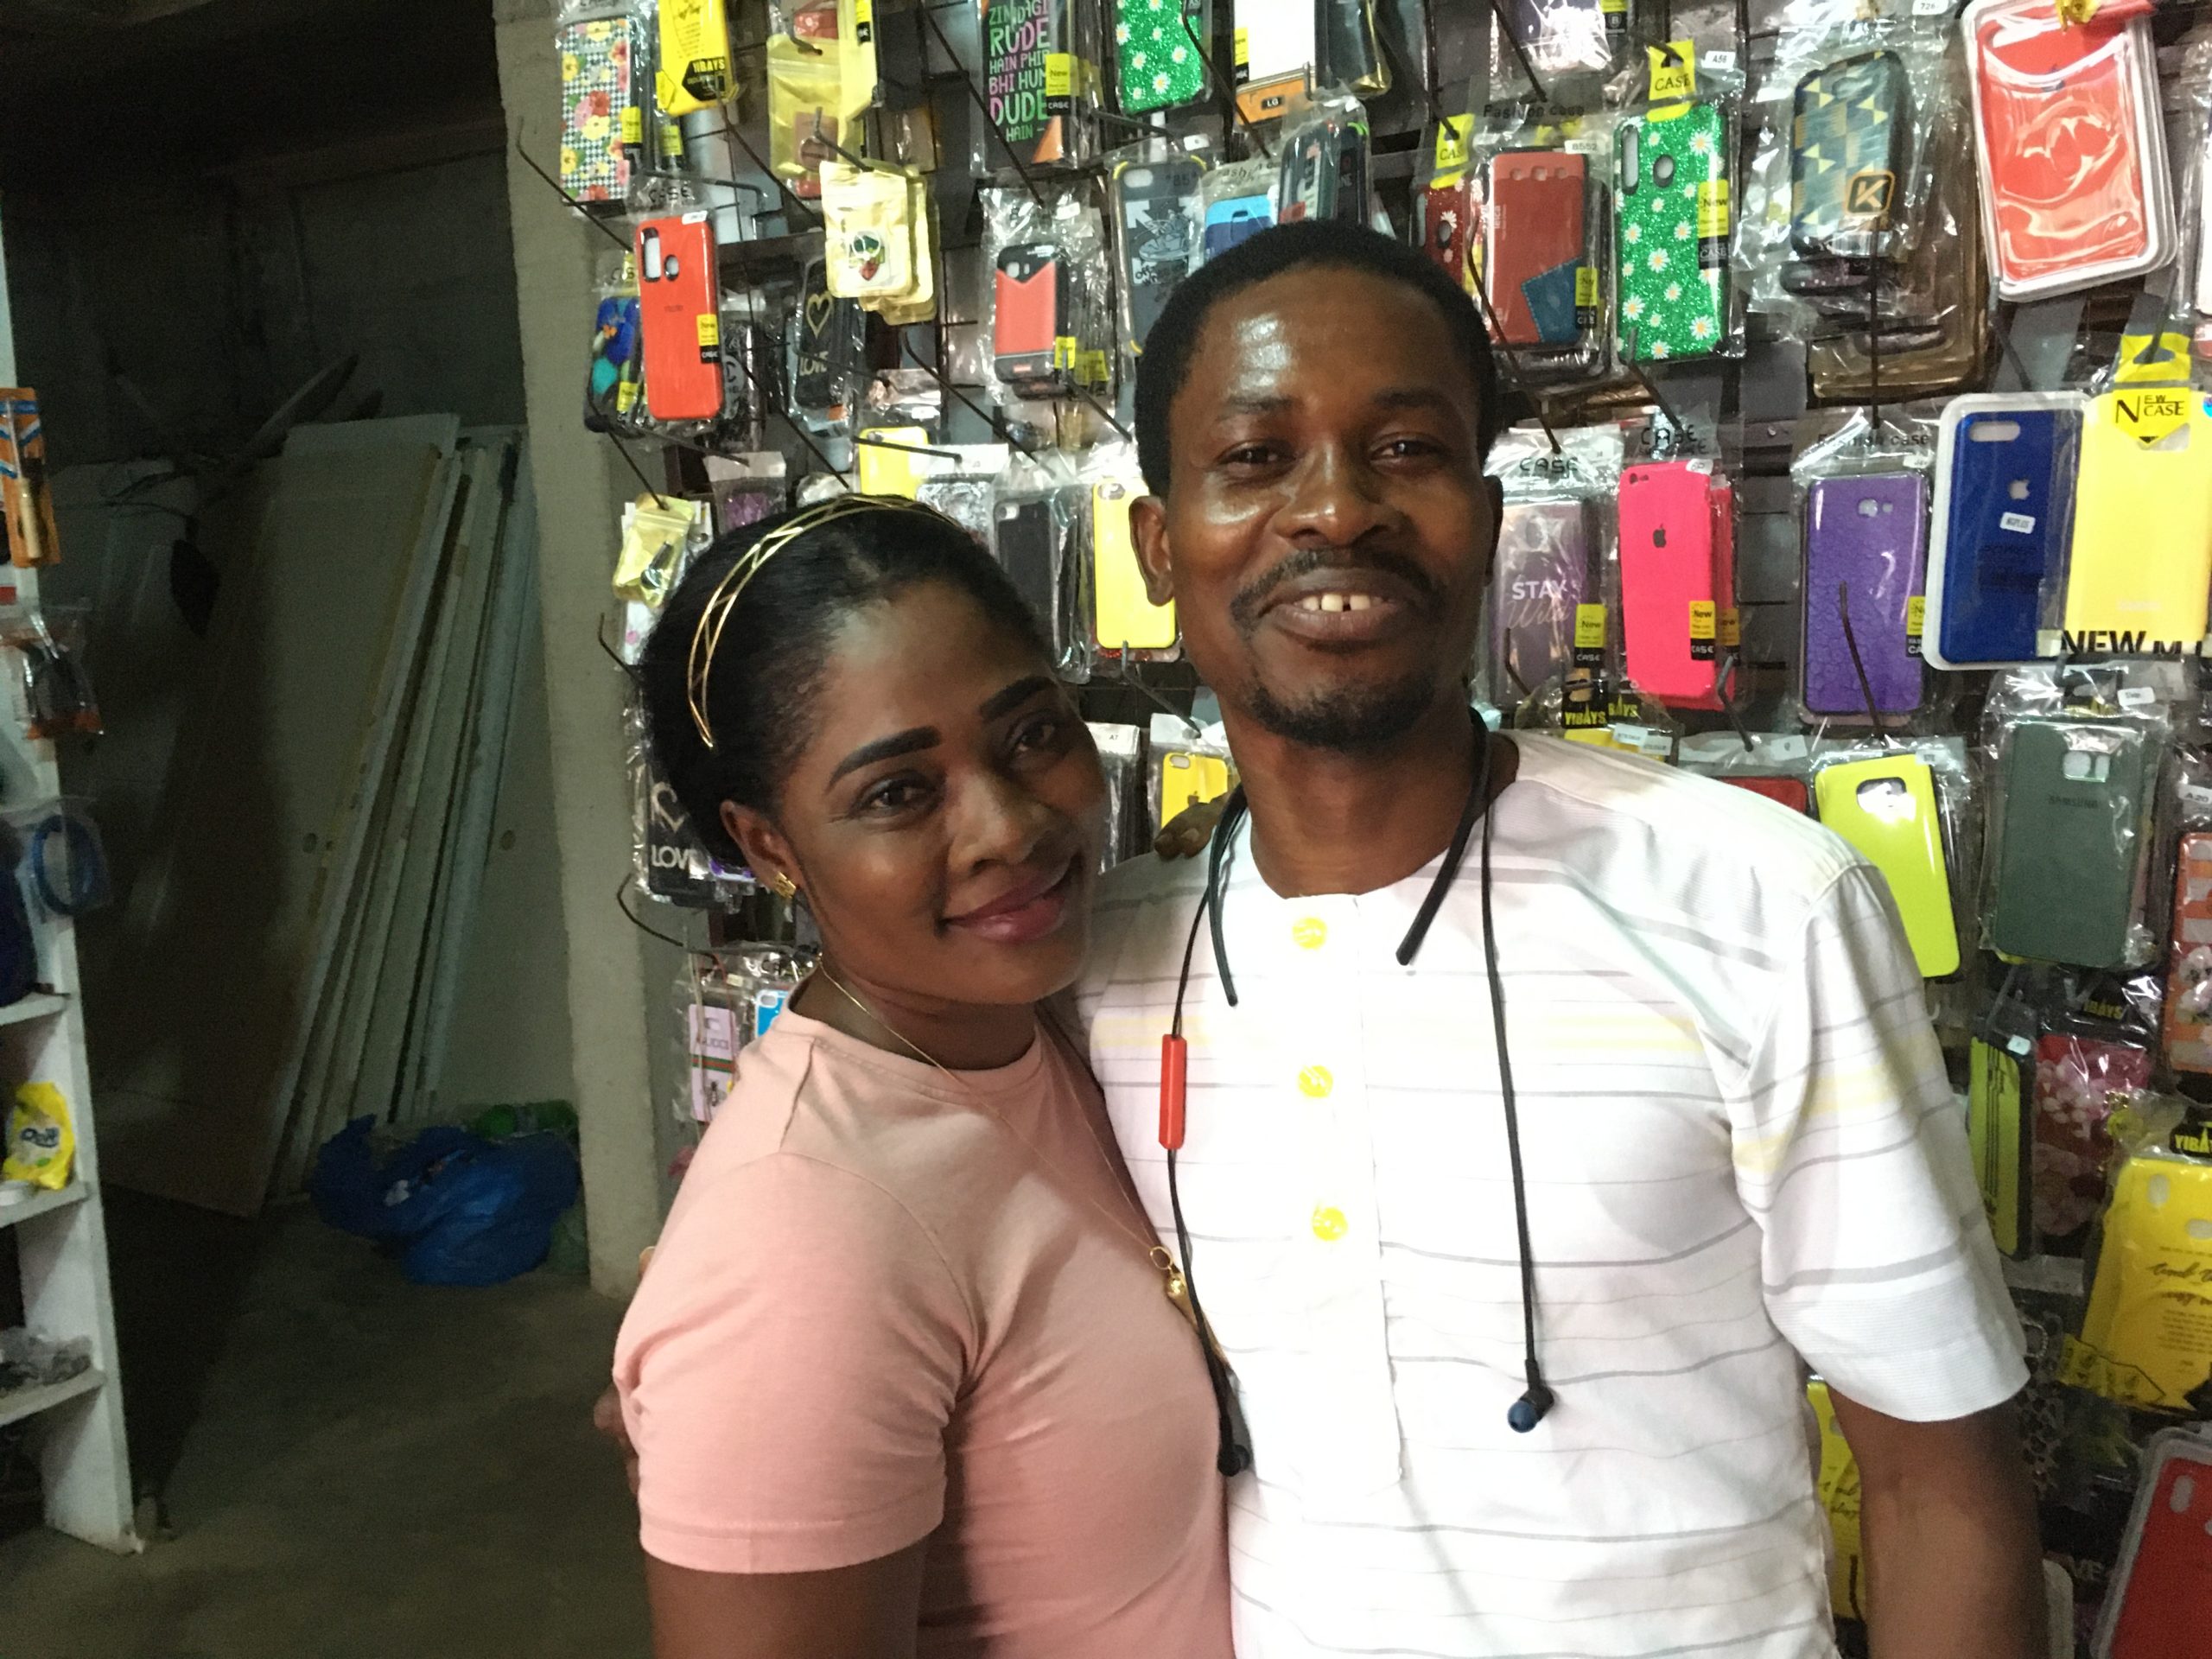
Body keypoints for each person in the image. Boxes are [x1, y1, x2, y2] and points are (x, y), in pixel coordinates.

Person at [1078, 222, 2044, 1658]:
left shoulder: (1761, 905)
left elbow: (1936, 1489)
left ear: (1485, 517)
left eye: (1404, 449)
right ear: (1161, 545)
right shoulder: (1107, 968)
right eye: (1257, 457)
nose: (1335, 509)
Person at [611, 497, 1235, 1659]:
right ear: (769, 846)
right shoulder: (799, 1240)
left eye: (1032, 735)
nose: (1008, 826)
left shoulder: (1047, 1020)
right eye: (898, 793)